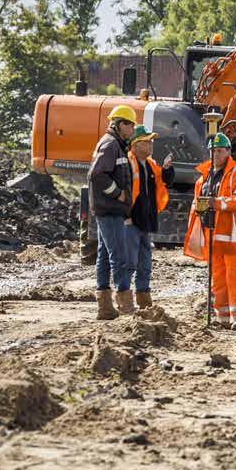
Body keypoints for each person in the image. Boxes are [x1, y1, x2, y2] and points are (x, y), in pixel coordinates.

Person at [184, 132, 236, 331]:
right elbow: (196, 203)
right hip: (213, 236)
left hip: (235, 238)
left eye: (220, 151)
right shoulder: (204, 178)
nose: (216, 154)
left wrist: (217, 203)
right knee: (218, 278)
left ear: (228, 152)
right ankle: (222, 316)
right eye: (213, 151)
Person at [89, 104, 136, 320]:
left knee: (105, 257)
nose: (132, 130)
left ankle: (105, 308)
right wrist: (118, 194)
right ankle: (125, 305)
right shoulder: (110, 145)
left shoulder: (116, 145)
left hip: (109, 209)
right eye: (130, 125)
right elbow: (98, 175)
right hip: (110, 209)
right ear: (119, 124)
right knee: (118, 255)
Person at [125, 125, 174, 308]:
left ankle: (143, 299)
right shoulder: (129, 163)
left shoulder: (150, 164)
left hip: (145, 221)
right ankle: (124, 298)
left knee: (145, 263)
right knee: (129, 262)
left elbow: (164, 181)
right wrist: (126, 215)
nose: (151, 144)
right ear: (136, 145)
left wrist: (168, 169)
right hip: (131, 220)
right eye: (147, 141)